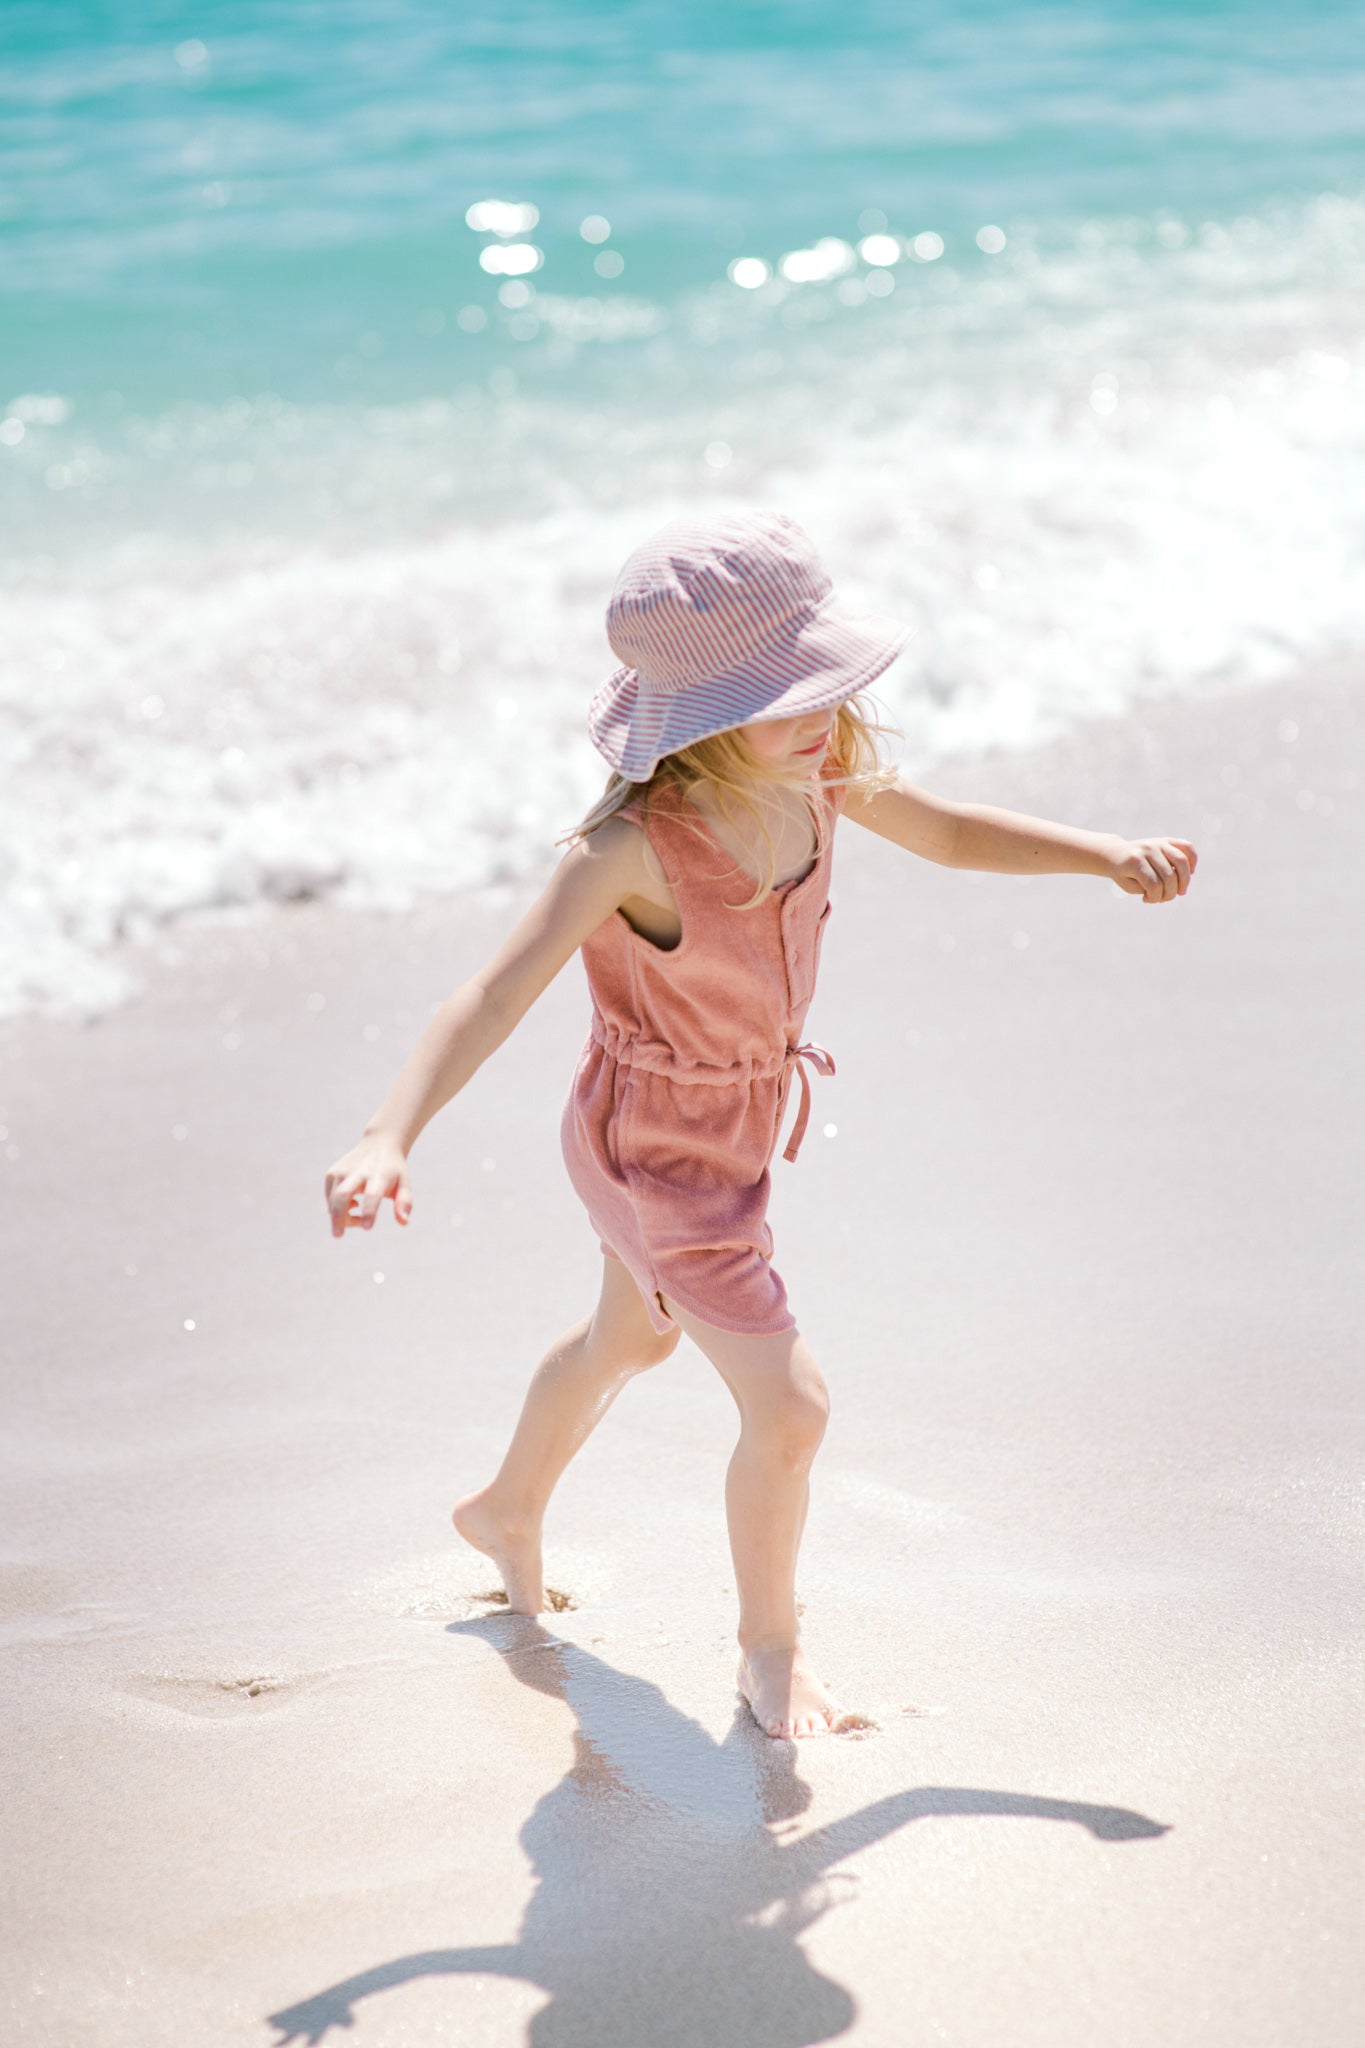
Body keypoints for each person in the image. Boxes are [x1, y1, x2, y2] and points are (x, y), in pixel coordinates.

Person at [324, 509, 1197, 1741]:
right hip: (653, 1149)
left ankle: (504, 1508)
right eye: (787, 697)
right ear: (699, 721)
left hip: (723, 1131)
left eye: (824, 683)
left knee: (632, 1339)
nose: (822, 713)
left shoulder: (816, 773)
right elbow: (493, 992)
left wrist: (1106, 853)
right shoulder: (633, 848)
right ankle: (770, 1650)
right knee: (791, 1408)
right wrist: (388, 1130)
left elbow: (950, 830)